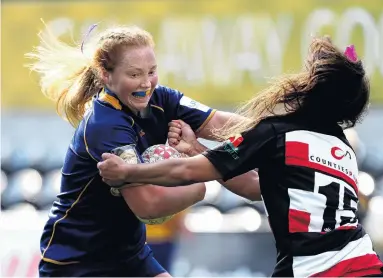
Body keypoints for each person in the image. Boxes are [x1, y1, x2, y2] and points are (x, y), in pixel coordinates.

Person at [98, 37, 383, 277]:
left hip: (313, 271)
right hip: (367, 265)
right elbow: (254, 187)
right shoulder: (343, 148)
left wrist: (127, 173)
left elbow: (187, 173)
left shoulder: (276, 133)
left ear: (312, 91)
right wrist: (198, 148)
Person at [26, 24, 259, 276]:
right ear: (106, 75)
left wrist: (280, 135)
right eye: (134, 74)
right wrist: (199, 187)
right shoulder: (105, 125)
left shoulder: (162, 99)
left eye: (152, 71)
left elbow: (225, 126)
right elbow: (148, 206)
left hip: (130, 255)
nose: (146, 83)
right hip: (79, 262)